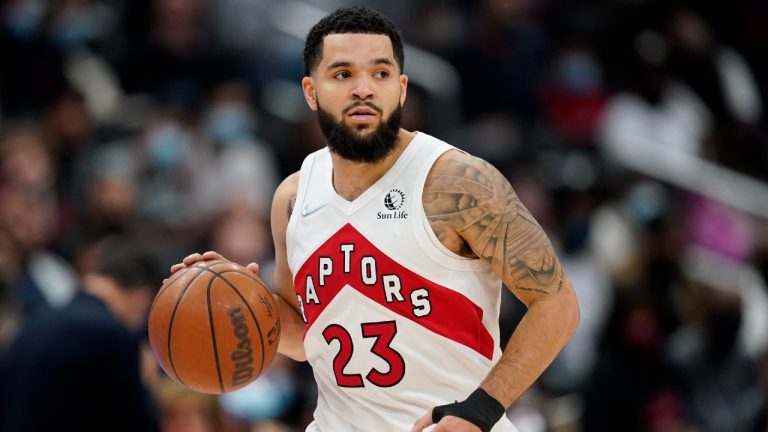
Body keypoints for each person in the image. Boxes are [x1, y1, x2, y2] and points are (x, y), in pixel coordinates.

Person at [172, 6, 580, 432]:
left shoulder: (457, 183)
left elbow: (558, 305)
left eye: (380, 73)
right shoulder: (293, 197)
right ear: (311, 91)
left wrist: (481, 410)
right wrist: (231, 297)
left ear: (402, 89)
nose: (363, 89)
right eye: (343, 74)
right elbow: (304, 337)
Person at [0, 236, 161, 432]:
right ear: (141, 298)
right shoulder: (112, 334)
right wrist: (145, 383)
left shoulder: (36, 321)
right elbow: (138, 423)